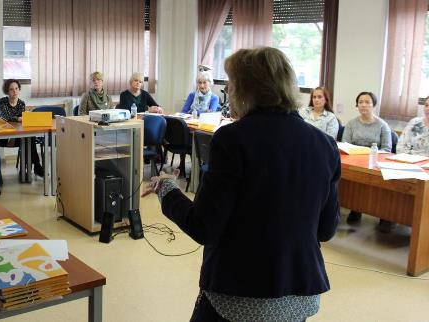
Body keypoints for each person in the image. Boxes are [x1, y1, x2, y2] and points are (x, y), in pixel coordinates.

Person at [143, 47, 340, 322]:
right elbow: (326, 229)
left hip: (240, 294)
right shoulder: (325, 144)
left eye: (231, 85)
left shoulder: (233, 139)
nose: (229, 93)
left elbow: (204, 227)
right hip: (299, 294)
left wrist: (167, 189)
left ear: (247, 89)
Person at [342, 92, 394, 231]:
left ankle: (385, 215)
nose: (363, 105)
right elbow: (345, 144)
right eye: (360, 102)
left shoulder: (382, 125)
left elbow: (387, 149)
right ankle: (355, 208)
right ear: (357, 105)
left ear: (374, 105)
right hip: (354, 161)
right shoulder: (351, 124)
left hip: (376, 163)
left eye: (367, 102)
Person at [0, 79, 44, 177]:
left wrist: (26, 117)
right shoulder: (2, 102)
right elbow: (6, 117)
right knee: (28, 139)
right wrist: (20, 118)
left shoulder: (21, 103)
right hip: (2, 136)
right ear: (7, 91)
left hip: (18, 136)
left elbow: (23, 120)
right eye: (11, 89)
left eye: (16, 88)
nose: (15, 91)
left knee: (30, 137)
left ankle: (26, 171)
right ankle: (36, 166)